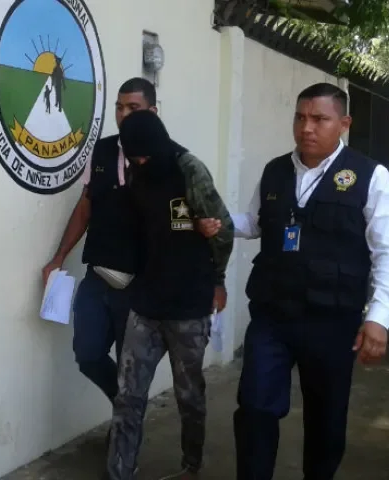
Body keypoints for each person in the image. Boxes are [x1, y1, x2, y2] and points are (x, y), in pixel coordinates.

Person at [209, 83, 389, 480]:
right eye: (300, 118)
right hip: (272, 316)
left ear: (344, 123)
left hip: (331, 321)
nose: (307, 128)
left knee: (325, 419)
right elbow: (254, 222)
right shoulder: (276, 171)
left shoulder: (370, 176)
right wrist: (220, 222)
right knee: (255, 407)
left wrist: (379, 318)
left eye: (319, 119)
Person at [105, 110, 234, 480]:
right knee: (128, 397)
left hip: (188, 307)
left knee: (189, 397)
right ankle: (119, 472)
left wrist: (218, 279)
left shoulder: (189, 169)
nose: (141, 162)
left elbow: (222, 230)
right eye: (135, 157)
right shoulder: (135, 173)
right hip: (145, 305)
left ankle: (191, 466)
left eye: (145, 155)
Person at [41, 78, 159, 423]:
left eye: (133, 108)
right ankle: (126, 410)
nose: (124, 114)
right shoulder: (103, 152)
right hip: (98, 278)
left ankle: (124, 437)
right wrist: (58, 257)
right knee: (88, 354)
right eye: (119, 107)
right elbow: (85, 207)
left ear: (152, 112)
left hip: (140, 286)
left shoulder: (168, 160)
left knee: (130, 368)